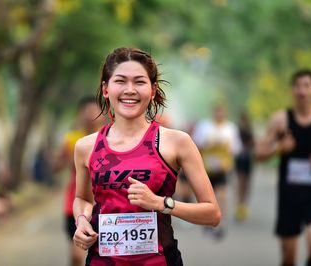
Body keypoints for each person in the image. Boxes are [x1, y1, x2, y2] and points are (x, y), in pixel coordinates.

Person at [73, 47, 221, 265]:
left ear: (152, 90)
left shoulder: (176, 142)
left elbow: (212, 213)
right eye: (121, 81)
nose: (130, 90)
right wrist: (82, 220)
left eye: (139, 82)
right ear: (106, 89)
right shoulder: (86, 146)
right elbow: (82, 199)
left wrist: (160, 203)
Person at [255, 69, 311, 266]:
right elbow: (258, 154)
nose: (302, 91)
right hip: (289, 194)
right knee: (288, 257)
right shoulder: (281, 120)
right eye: (298, 86)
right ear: (292, 90)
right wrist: (279, 149)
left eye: (307, 86)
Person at [54, 96, 104, 266]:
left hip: (104, 204)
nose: (91, 114)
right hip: (75, 204)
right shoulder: (72, 139)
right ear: (80, 113)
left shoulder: (111, 137)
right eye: (87, 110)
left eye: (94, 110)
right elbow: (56, 166)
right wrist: (69, 160)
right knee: (76, 255)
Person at [192, 102, 241, 239]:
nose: (219, 114)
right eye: (217, 112)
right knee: (206, 199)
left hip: (222, 169)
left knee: (222, 196)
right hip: (206, 169)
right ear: (213, 112)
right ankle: (207, 222)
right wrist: (209, 143)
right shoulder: (204, 126)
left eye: (222, 112)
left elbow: (236, 148)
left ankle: (218, 222)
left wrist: (227, 149)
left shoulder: (230, 128)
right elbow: (195, 145)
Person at [234, 111, 255, 222]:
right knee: (241, 182)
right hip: (241, 159)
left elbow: (253, 143)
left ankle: (242, 206)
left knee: (245, 184)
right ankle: (240, 206)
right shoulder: (237, 130)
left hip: (246, 159)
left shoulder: (247, 130)